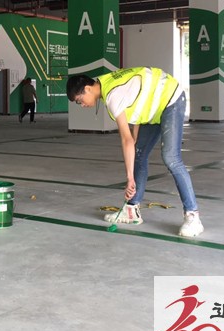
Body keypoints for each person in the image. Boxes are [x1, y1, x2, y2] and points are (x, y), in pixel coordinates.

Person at [66, 68, 203, 237]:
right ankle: (131, 211)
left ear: (87, 89)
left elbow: (126, 140)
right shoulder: (105, 82)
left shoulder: (112, 95)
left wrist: (130, 178)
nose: (82, 105)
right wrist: (136, 141)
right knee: (139, 154)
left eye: (79, 100)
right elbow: (137, 105)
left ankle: (193, 216)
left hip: (170, 99)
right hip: (153, 108)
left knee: (171, 157)